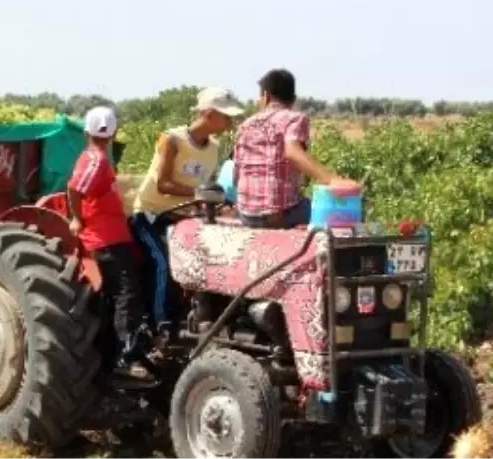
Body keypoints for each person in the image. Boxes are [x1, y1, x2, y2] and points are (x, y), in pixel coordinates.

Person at [130, 87, 245, 333]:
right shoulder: (172, 139)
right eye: (226, 116)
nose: (230, 122)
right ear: (209, 114)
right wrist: (201, 195)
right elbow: (163, 184)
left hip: (187, 219)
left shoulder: (213, 147)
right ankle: (162, 327)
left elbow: (206, 184)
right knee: (165, 263)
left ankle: (207, 319)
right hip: (153, 216)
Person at [68, 106, 154, 387]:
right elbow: (75, 188)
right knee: (128, 295)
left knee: (119, 296)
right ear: (114, 132)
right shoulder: (97, 160)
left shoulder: (97, 159)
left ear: (86, 132)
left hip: (113, 236)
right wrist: (77, 219)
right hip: (105, 239)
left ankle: (116, 355)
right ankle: (124, 359)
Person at [233, 69, 362, 228]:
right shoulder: (295, 118)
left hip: (245, 214)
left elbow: (237, 172)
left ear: (265, 96)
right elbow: (292, 152)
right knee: (338, 213)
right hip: (278, 215)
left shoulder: (245, 126)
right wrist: (333, 180)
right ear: (293, 100)